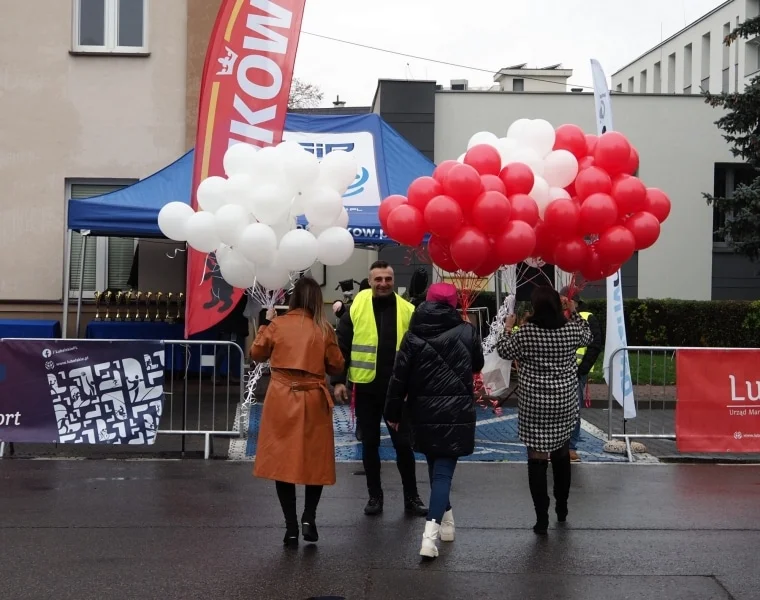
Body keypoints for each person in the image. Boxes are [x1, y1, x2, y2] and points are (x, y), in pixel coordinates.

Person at [385, 283, 484, 559]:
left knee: (435, 467)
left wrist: (392, 413)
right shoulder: (466, 331)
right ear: (453, 304)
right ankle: (429, 538)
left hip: (423, 411)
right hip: (456, 411)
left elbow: (399, 377)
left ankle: (448, 526)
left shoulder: (413, 334)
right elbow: (477, 365)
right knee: (442, 474)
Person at [250, 277, 345, 547]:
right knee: (315, 459)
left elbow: (256, 353)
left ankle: (290, 526)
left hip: (281, 396)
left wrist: (266, 324)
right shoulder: (323, 328)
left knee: (282, 461)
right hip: (313, 396)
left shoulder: (278, 325)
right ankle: (308, 517)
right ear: (316, 299)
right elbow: (336, 366)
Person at [332, 261, 428, 517]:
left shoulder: (408, 310)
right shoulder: (355, 309)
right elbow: (341, 346)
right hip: (366, 388)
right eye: (378, 279)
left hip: (397, 391)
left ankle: (412, 497)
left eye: (387, 278)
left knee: (403, 445)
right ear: (370, 280)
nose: (383, 283)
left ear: (393, 280)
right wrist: (339, 380)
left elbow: (419, 350)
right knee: (370, 444)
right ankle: (375, 496)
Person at [496, 286, 592, 534]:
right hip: (563, 402)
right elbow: (587, 336)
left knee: (536, 458)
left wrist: (508, 327)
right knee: (561, 454)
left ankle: (541, 517)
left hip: (535, 404)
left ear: (536, 308)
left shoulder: (527, 333)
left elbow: (504, 350)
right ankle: (562, 506)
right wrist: (575, 312)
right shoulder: (570, 329)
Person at [559, 286, 603, 463]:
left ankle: (571, 447)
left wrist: (583, 369)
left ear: (573, 301)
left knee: (574, 410)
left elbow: (594, 343)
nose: (561, 303)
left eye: (564, 299)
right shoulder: (555, 317)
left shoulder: (586, 317)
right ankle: (556, 445)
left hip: (576, 372)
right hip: (558, 371)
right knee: (556, 410)